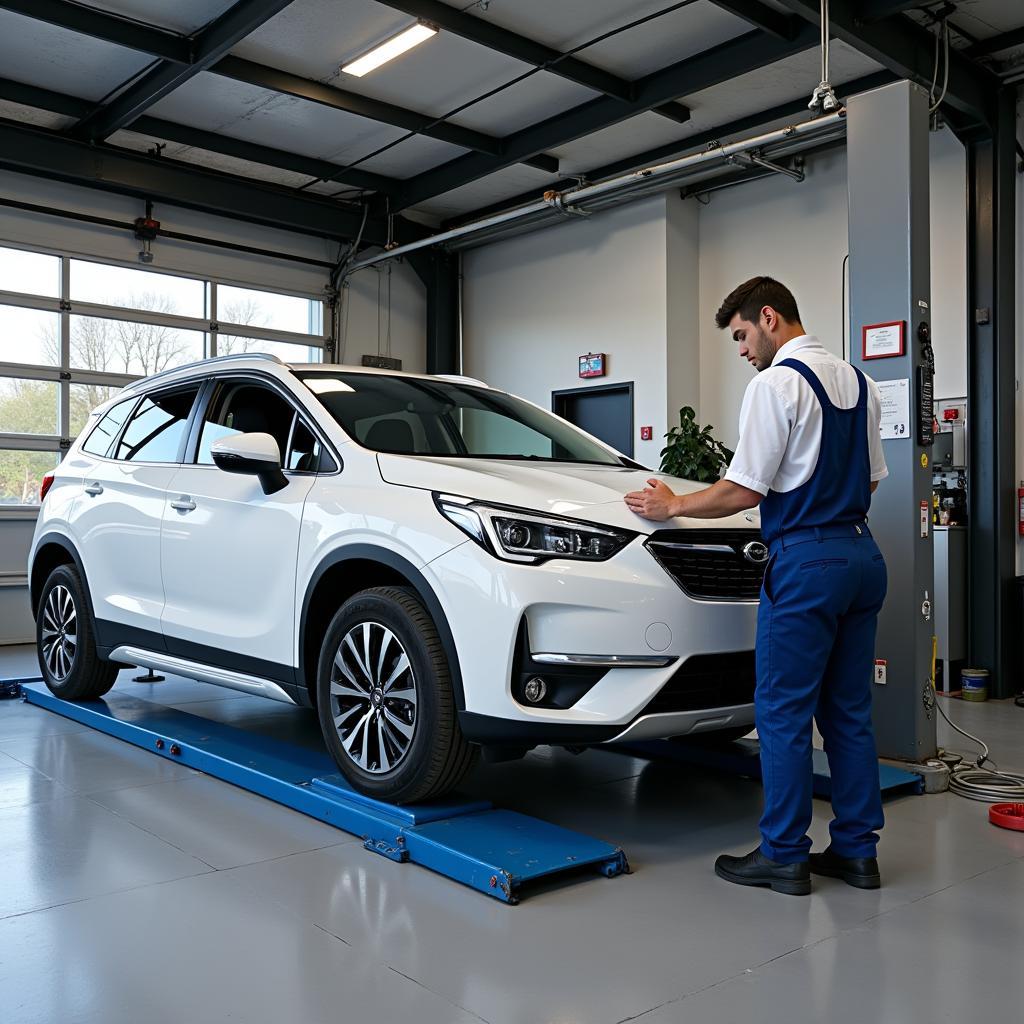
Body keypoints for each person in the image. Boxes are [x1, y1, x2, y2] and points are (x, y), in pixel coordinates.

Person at [624, 276, 888, 896]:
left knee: (784, 712)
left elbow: (743, 490)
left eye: (741, 335)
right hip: (861, 555)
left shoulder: (777, 383)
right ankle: (856, 853)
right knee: (849, 714)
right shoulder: (862, 382)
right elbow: (872, 481)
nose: (741, 349)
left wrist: (674, 506)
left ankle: (785, 854)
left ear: (769, 318)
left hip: (806, 563)